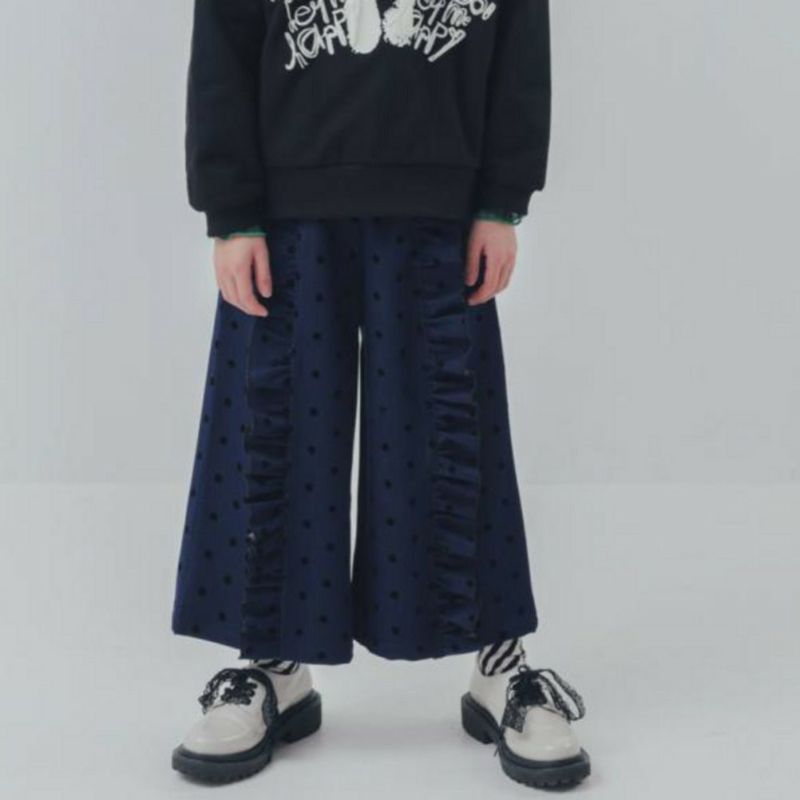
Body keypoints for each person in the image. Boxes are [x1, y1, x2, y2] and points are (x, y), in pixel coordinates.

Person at [170, 0, 590, 788]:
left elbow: (520, 39)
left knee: (453, 435)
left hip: (440, 202)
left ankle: (498, 662)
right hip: (286, 206)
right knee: (276, 432)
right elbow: (223, 38)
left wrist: (502, 199)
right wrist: (231, 213)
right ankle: (273, 664)